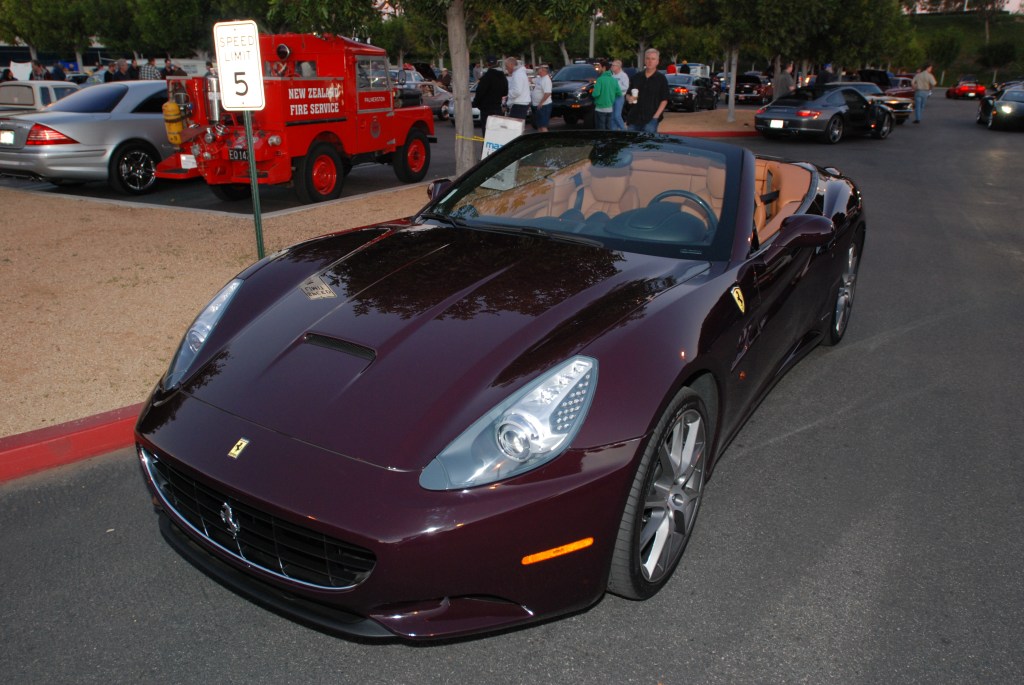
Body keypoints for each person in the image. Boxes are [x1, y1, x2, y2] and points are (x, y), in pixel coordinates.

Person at [626, 48, 669, 133]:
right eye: (648, 58)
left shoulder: (661, 79)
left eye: (653, 59)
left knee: (648, 145)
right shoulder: (636, 77)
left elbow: (664, 100)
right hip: (634, 119)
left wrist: (655, 117)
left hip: (650, 120)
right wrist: (629, 98)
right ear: (645, 60)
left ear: (657, 61)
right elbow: (628, 94)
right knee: (632, 145)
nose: (650, 61)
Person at [473, 55, 507, 131]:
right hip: (497, 107)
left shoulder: (486, 77)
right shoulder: (502, 77)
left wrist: (476, 103)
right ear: (497, 63)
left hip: (486, 109)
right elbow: (505, 92)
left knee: (487, 132)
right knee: (496, 132)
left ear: (487, 64)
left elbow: (480, 92)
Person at [591, 60, 618, 130]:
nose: (598, 69)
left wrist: (593, 92)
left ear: (604, 68)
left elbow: (595, 94)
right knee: (608, 128)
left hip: (600, 108)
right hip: (610, 108)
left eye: (599, 67)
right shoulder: (614, 80)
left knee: (600, 129)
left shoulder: (600, 80)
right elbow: (619, 92)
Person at [530, 64, 553, 132]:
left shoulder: (546, 79)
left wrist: (541, 103)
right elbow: (531, 80)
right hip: (537, 105)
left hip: (544, 106)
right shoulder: (540, 78)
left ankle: (546, 140)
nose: (538, 70)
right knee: (539, 125)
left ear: (543, 70)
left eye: (539, 69)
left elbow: (548, 93)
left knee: (543, 126)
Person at [610, 60, 629, 131]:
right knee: (612, 116)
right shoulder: (612, 76)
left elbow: (626, 87)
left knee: (617, 115)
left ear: (618, 67)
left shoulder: (623, 75)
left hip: (619, 97)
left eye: (613, 65)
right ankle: (613, 132)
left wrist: (616, 88)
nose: (612, 67)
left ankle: (624, 130)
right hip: (612, 97)